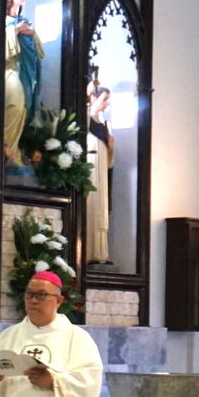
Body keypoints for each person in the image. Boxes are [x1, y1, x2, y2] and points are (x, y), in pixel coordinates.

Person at [2, 0, 44, 164]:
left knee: (25, 109)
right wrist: (14, 31)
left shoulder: (24, 22)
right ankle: (6, 149)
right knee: (16, 107)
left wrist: (32, 34)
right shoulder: (3, 22)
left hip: (25, 73)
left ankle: (14, 149)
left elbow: (39, 54)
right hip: (9, 70)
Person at [84, 81, 114, 265]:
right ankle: (88, 252)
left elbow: (110, 159)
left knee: (101, 210)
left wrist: (111, 149)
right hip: (91, 170)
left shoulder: (105, 122)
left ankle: (101, 253)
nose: (107, 104)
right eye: (105, 99)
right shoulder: (87, 117)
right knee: (92, 208)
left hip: (102, 171)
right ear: (94, 97)